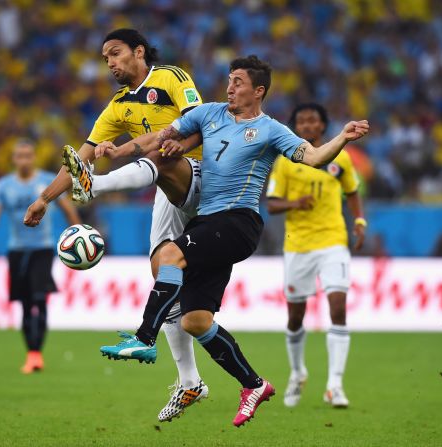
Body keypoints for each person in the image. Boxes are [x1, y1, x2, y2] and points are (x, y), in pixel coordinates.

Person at [94, 55, 370, 426]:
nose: (230, 87)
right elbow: (163, 136)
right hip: (208, 224)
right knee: (195, 320)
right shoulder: (208, 113)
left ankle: (144, 338)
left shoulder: (272, 130)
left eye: (238, 82)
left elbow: (316, 156)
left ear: (258, 91)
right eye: (228, 79)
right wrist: (118, 150)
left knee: (169, 255)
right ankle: (253, 384)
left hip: (238, 221)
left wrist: (342, 136)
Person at [22, 29, 210, 421]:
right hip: (166, 188)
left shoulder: (172, 77)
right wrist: (44, 198)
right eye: (105, 56)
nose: (109, 62)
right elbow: (83, 155)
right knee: (164, 276)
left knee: (162, 149)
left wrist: (127, 149)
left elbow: (198, 123)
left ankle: (98, 187)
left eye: (115, 53)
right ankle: (190, 381)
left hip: (203, 175)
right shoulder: (118, 106)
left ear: (138, 52)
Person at [266, 103, 367, 409]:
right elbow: (272, 204)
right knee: (296, 316)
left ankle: (335, 384)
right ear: (296, 127)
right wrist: (296, 204)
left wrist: (359, 221)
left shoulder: (342, 158)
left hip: (333, 240)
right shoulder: (286, 161)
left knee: (338, 305)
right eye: (302, 122)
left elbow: (352, 191)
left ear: (323, 125)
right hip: (298, 245)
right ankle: (297, 373)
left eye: (313, 121)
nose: (308, 126)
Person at [0, 140, 80, 374]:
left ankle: (36, 354)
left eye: (28, 155)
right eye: (20, 155)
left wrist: (79, 231)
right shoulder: (4, 186)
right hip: (17, 250)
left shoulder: (46, 182)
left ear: (34, 158)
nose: (24, 160)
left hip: (42, 249)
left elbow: (67, 208)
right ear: (14, 159)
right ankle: (31, 353)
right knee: (24, 305)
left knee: (40, 300)